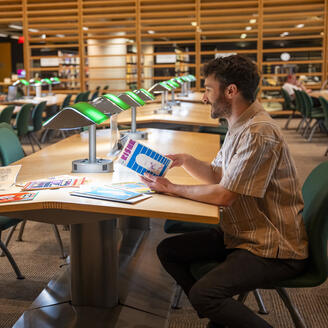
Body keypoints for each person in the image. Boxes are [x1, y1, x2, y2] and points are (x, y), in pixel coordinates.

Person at [141, 55, 309, 328]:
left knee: (204, 294)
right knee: (169, 251)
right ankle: (222, 315)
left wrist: (172, 189)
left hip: (272, 247)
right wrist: (186, 160)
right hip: (242, 232)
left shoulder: (258, 132)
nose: (204, 97)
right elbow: (217, 176)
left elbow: (225, 196)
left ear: (231, 91)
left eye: (208, 89)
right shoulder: (239, 123)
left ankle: (214, 305)